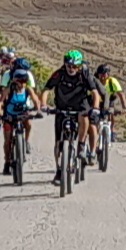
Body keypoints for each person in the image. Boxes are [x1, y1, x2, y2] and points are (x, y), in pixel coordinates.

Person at [41, 49, 100, 183]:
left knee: (84, 116)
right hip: (62, 108)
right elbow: (46, 89)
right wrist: (43, 104)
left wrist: (95, 108)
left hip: (80, 106)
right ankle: (58, 171)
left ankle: (81, 144)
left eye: (74, 66)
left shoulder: (85, 74)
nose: (71, 69)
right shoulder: (59, 74)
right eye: (69, 66)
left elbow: (95, 93)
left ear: (79, 66)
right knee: (58, 144)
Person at [0, 58, 37, 173]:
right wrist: (0, 111)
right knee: (8, 139)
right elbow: (2, 93)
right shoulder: (7, 75)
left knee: (28, 124)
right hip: (10, 107)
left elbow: (32, 93)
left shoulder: (28, 76)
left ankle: (26, 141)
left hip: (24, 105)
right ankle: (7, 162)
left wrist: (36, 108)